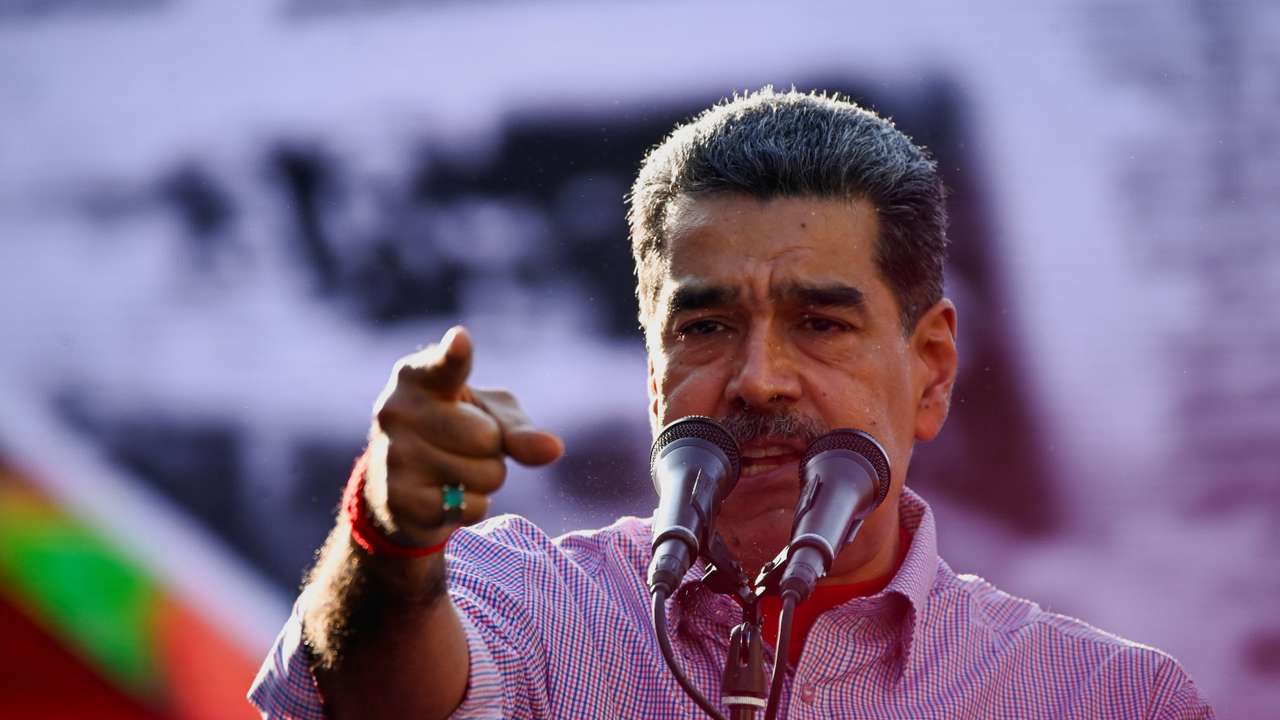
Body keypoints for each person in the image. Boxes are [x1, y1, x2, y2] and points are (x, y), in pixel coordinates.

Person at [248, 89, 1213, 719]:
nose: (758, 380)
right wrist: (387, 537)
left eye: (821, 324)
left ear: (931, 370)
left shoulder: (1113, 697)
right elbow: (369, 700)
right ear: (654, 371)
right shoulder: (526, 599)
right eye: (705, 328)